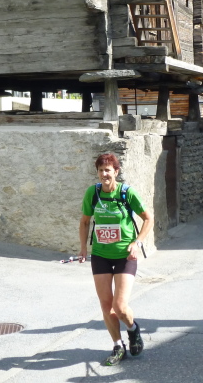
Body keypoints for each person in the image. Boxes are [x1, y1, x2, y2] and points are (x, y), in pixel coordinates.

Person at [78, 153, 153, 366]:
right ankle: (118, 346)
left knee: (119, 306)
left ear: (116, 172)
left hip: (125, 255)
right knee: (106, 305)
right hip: (100, 254)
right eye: (101, 170)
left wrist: (137, 242)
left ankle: (133, 329)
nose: (104, 174)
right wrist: (83, 248)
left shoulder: (127, 193)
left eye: (108, 170)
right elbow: (84, 222)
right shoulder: (92, 193)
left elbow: (148, 218)